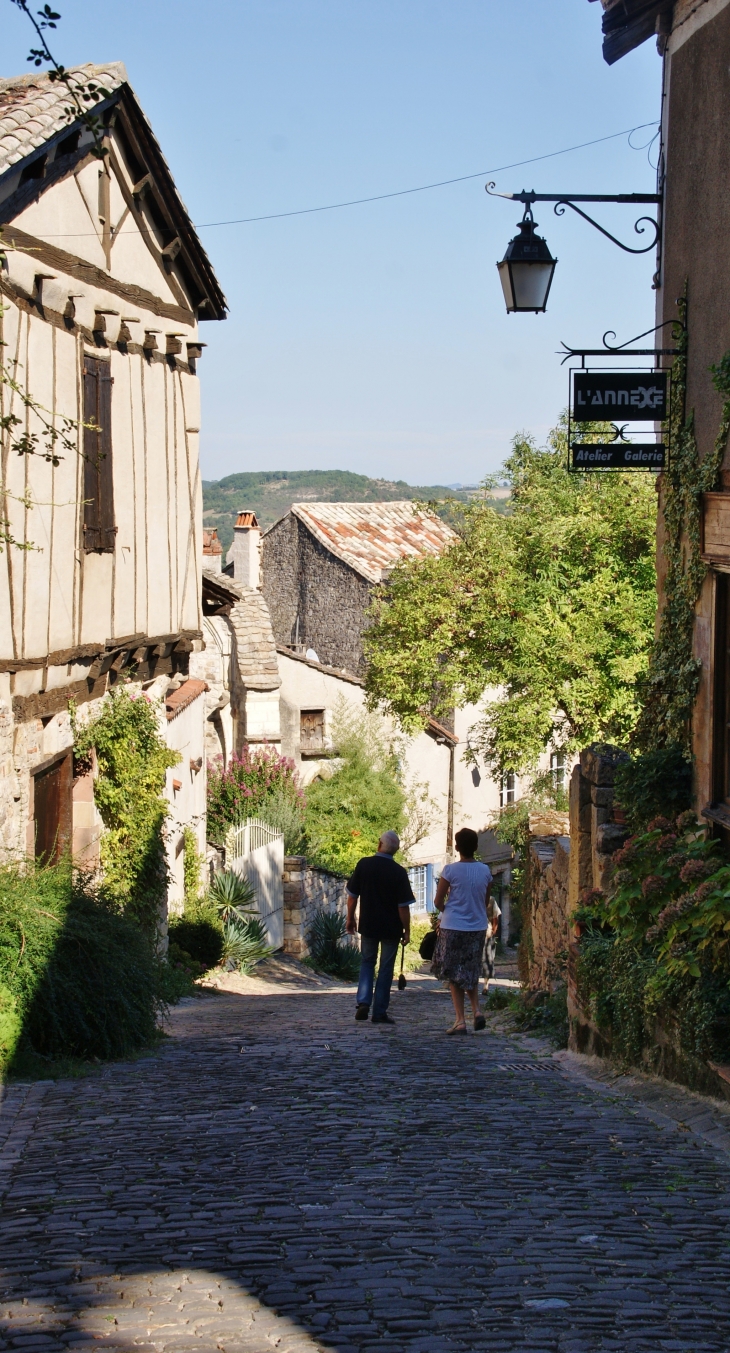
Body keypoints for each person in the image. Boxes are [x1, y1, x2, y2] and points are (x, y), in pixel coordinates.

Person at [346, 830, 414, 1024]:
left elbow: (352, 897)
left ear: (379, 844)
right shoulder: (399, 872)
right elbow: (403, 907)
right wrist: (407, 930)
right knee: (385, 968)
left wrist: (350, 918)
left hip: (368, 924)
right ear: (396, 850)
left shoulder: (364, 865)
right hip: (391, 929)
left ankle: (363, 1002)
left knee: (367, 962)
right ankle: (379, 1012)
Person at [431, 826, 492, 1034]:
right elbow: (485, 902)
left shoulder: (450, 870)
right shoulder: (485, 871)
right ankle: (476, 1010)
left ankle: (460, 1020)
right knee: (470, 969)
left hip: (453, 927)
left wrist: (447, 910)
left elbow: (438, 901)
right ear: (476, 847)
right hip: (477, 927)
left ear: (457, 847)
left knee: (454, 973)